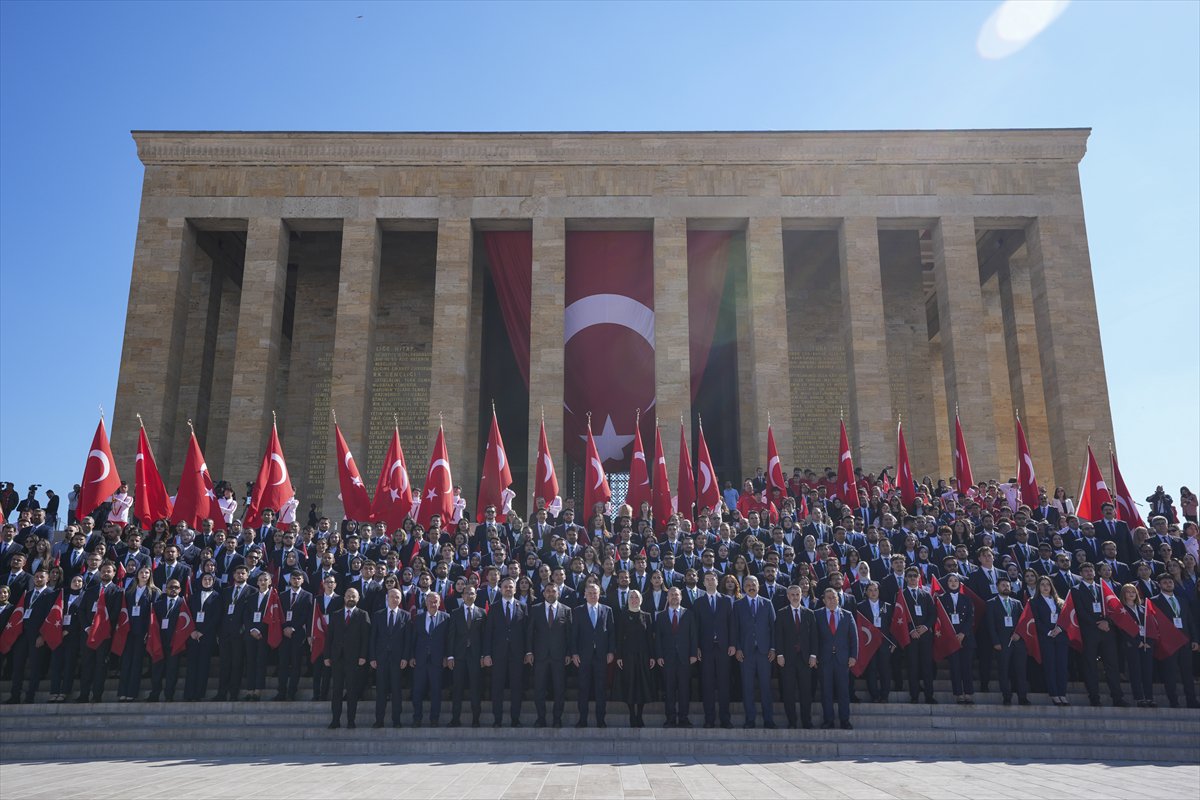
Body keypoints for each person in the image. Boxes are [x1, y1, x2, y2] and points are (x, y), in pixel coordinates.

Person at [1071, 563, 1126, 707]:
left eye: (1091, 570)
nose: (1089, 573)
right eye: (1085, 571)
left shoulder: (1103, 589)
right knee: (1090, 665)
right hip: (1089, 632)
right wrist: (1097, 623)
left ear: (1095, 572)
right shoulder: (1075, 590)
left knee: (1112, 665)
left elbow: (1113, 608)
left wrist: (1107, 622)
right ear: (1081, 573)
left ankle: (1117, 697)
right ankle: (1094, 697)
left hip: (1107, 632)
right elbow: (1080, 612)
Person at [483, 576, 530, 727]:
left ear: (515, 589)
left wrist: (528, 652)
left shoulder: (522, 607)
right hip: (498, 654)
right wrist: (487, 654)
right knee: (497, 688)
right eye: (505, 587)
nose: (508, 589)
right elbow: (488, 633)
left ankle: (515, 719)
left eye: (511, 587)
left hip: (517, 654)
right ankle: (497, 719)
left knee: (516, 687)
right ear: (501, 589)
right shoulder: (494, 607)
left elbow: (526, 633)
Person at [6, 567, 57, 703]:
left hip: (38, 635)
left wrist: (43, 635)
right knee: (18, 666)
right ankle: (15, 695)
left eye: (42, 577)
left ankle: (30, 696)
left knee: (35, 667)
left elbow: (50, 617)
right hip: (22, 634)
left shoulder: (51, 594)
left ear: (48, 579)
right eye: (36, 577)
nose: (39, 579)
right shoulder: (27, 594)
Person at [732, 575, 776, 728]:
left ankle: (768, 720)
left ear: (759, 586)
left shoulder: (767, 603)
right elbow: (735, 629)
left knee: (766, 687)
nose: (751, 586)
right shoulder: (738, 605)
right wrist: (737, 648)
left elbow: (773, 628)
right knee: (747, 687)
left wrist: (773, 648)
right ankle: (750, 719)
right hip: (746, 652)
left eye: (754, 584)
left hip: (764, 652)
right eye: (748, 584)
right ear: (743, 587)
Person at [1150, 573, 1199, 708]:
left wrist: (1195, 639)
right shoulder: (1154, 601)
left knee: (1187, 673)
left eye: (1170, 582)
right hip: (1168, 642)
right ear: (1159, 585)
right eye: (1165, 582)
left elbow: (1190, 621)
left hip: (1185, 640)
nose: (1168, 584)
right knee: (1170, 672)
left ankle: (1192, 700)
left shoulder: (1182, 600)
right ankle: (1174, 701)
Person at [694, 570, 735, 728]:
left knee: (724, 684)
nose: (710, 582)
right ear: (703, 583)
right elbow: (695, 628)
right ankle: (709, 719)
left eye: (713, 579)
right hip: (706, 649)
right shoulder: (698, 603)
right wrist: (696, 647)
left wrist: (732, 644)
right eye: (707, 579)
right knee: (708, 684)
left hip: (724, 648)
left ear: (718, 582)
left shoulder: (726, 601)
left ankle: (725, 718)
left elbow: (731, 624)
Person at [325, 586, 371, 729]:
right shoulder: (336, 614)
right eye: (348, 596)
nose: (351, 598)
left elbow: (366, 638)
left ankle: (351, 721)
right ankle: (335, 720)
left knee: (352, 692)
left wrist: (363, 656)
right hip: (337, 658)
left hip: (354, 659)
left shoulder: (363, 614)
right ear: (344, 598)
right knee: (337, 691)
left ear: (358, 599)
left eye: (354, 596)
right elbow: (329, 637)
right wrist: (327, 656)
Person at [77, 562, 122, 703]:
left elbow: (116, 613)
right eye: (103, 571)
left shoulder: (118, 592)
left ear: (114, 573)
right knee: (87, 664)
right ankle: (83, 695)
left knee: (100, 666)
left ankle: (97, 695)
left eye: (109, 571)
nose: (105, 573)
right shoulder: (90, 590)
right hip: (88, 633)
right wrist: (86, 627)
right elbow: (82, 610)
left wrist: (102, 627)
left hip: (104, 634)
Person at [571, 582, 614, 728]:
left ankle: (600, 719)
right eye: (589, 593)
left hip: (601, 655)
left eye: (595, 593)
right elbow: (574, 635)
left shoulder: (607, 610)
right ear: (584, 595)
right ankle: (582, 719)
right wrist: (574, 653)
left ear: (599, 594)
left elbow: (611, 633)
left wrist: (611, 651)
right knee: (583, 688)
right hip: (583, 656)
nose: (592, 595)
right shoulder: (577, 611)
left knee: (601, 689)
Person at [529, 582, 572, 728]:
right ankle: (541, 718)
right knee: (539, 688)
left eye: (553, 591)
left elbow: (569, 635)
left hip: (559, 656)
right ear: (543, 593)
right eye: (547, 591)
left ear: (558, 593)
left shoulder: (566, 610)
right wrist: (529, 652)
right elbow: (530, 634)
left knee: (559, 689)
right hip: (540, 656)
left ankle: (557, 718)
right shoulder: (535, 609)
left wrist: (568, 653)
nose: (550, 593)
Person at [814, 587, 858, 729]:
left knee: (843, 691)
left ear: (838, 599)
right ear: (824, 600)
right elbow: (814, 638)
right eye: (828, 598)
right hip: (824, 659)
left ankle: (845, 720)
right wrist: (814, 656)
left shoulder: (847, 614)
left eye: (834, 597)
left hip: (842, 659)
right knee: (826, 691)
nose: (831, 600)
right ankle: (829, 720)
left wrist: (853, 656)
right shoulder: (817, 615)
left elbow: (854, 638)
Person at [774, 584, 817, 728]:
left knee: (806, 692)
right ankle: (792, 721)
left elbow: (814, 637)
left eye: (797, 594)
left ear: (801, 595)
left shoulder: (809, 613)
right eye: (792, 595)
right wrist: (779, 654)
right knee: (788, 692)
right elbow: (778, 636)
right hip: (787, 659)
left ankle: (807, 721)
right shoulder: (781, 613)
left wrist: (813, 655)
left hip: (805, 659)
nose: (795, 597)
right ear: (787, 596)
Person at [654, 586, 697, 728]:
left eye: (676, 595)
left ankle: (683, 718)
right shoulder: (660, 616)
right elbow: (658, 638)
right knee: (669, 689)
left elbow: (693, 636)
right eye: (671, 595)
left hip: (685, 658)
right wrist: (659, 655)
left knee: (684, 689)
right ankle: (670, 718)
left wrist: (693, 654)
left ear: (681, 597)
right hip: (667, 658)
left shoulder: (689, 614)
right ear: (667, 598)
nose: (674, 597)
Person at [215, 565, 257, 701]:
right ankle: (221, 693)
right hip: (225, 633)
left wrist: (244, 629)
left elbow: (250, 613)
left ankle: (233, 693)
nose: (240, 575)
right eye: (237, 573)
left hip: (240, 633)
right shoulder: (226, 591)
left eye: (243, 573)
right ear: (233, 575)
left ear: (247, 575)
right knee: (224, 664)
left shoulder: (252, 591)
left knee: (237, 664)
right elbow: (220, 612)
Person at [446, 584, 485, 727]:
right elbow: (451, 636)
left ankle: (476, 718)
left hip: (475, 656)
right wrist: (450, 656)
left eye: (472, 593)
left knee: (475, 687)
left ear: (476, 596)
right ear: (462, 596)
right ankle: (455, 718)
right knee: (457, 688)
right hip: (459, 656)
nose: (469, 595)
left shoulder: (481, 613)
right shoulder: (455, 613)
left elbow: (484, 636)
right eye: (466, 593)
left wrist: (483, 655)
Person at [986, 575, 1029, 705]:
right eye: (1003, 585)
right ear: (997, 587)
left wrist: (1020, 635)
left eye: (1008, 585)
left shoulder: (1017, 603)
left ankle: (1022, 697)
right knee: (1003, 670)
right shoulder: (991, 603)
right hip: (1002, 642)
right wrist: (995, 642)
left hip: (1017, 641)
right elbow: (990, 625)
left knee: (1021, 670)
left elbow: (1023, 621)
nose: (1006, 587)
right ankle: (1007, 696)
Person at [118, 565, 159, 702]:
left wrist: (149, 631)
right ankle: (122, 692)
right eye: (141, 572)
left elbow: (154, 614)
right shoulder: (129, 591)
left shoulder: (154, 592)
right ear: (137, 575)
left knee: (137, 662)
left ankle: (131, 692)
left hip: (143, 631)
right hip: (128, 630)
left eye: (146, 572)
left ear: (150, 575)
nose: (144, 575)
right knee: (126, 662)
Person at [615, 588, 654, 728]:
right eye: (631, 597)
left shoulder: (647, 616)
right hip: (628, 655)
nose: (634, 599)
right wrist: (619, 656)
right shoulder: (623, 615)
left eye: (636, 597)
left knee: (642, 685)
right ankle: (632, 714)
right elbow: (619, 637)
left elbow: (650, 638)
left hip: (643, 655)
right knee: (630, 684)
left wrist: (652, 656)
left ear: (641, 600)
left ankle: (640, 715)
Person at [410, 590, 449, 727]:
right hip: (420, 660)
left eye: (435, 601)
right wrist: (411, 656)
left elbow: (448, 640)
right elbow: (413, 639)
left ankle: (434, 719)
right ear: (425, 603)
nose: (433, 604)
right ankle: (417, 718)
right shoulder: (418, 618)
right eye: (430, 601)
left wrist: (446, 656)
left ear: (439, 603)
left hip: (437, 661)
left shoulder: (446, 618)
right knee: (417, 691)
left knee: (436, 691)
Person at [898, 567, 935, 704]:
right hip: (910, 637)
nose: (913, 578)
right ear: (906, 578)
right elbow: (898, 616)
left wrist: (925, 627)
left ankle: (929, 695)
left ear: (919, 578)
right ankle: (914, 696)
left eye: (915, 575)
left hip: (925, 636)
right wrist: (910, 631)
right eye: (910, 576)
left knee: (927, 666)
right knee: (912, 666)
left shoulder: (926, 594)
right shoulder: (901, 595)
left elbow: (933, 614)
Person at [275, 569, 313, 701]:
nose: (296, 580)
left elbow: (306, 616)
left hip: (298, 634)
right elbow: (279, 613)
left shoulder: (308, 596)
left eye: (298, 578)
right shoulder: (283, 595)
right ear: (289, 580)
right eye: (294, 578)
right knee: (283, 664)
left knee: (296, 664)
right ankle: (281, 692)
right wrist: (285, 627)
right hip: (284, 633)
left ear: (302, 580)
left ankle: (291, 692)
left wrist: (293, 627)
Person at [47, 574, 86, 702]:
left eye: (80, 581)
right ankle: (54, 690)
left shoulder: (85, 596)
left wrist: (68, 630)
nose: (77, 583)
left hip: (74, 635)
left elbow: (83, 617)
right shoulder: (63, 596)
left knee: (69, 664)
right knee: (56, 663)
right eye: (74, 580)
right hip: (58, 633)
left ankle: (64, 691)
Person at [1031, 576, 1068, 705]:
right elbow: (1036, 620)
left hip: (1061, 637)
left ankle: (1062, 693)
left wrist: (1060, 629)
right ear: (1038, 587)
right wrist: (1048, 631)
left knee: (1062, 666)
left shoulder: (1060, 601)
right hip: (1046, 638)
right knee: (1050, 666)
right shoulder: (1034, 602)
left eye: (1048, 584)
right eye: (1042, 585)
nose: (1045, 587)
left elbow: (1066, 618)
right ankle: (1054, 694)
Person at [184, 573, 221, 702]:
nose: (207, 581)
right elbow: (188, 613)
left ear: (213, 581)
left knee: (203, 665)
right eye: (205, 579)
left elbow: (216, 617)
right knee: (191, 665)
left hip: (207, 635)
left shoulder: (217, 597)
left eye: (210, 579)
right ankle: (188, 693)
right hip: (193, 634)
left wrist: (203, 631)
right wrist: (192, 630)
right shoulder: (194, 596)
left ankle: (199, 693)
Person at [939, 572, 975, 704]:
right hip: (950, 637)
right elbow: (941, 619)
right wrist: (952, 635)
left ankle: (969, 693)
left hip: (965, 637)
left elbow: (970, 618)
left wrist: (963, 633)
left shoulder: (966, 598)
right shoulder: (941, 599)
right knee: (955, 666)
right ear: (946, 583)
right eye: (950, 581)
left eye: (955, 580)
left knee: (966, 666)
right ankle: (958, 693)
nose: (953, 583)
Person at [148, 578, 186, 701]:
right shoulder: (158, 604)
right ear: (166, 589)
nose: (173, 589)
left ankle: (169, 695)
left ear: (180, 589)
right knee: (157, 670)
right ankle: (154, 694)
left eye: (176, 587)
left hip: (175, 642)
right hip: (159, 641)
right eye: (171, 587)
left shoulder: (184, 604)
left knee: (172, 671)